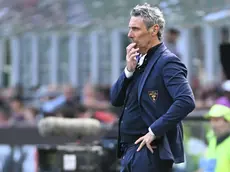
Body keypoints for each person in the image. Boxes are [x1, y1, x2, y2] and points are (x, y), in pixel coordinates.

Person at [110, 3, 195, 172]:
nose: (130, 35)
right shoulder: (137, 61)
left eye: (135, 29)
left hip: (150, 151)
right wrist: (128, 70)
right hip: (130, 151)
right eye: (130, 29)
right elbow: (115, 99)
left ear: (154, 29)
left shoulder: (167, 61)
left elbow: (186, 101)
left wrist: (154, 131)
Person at [198, 104, 230, 172]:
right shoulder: (212, 141)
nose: (213, 124)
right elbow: (206, 168)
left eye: (216, 120)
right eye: (211, 120)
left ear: (228, 121)